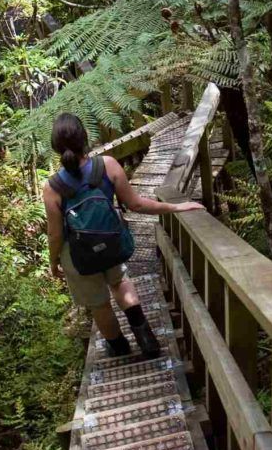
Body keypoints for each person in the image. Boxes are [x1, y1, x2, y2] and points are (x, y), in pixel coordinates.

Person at [44, 112, 204, 358]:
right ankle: (147, 340)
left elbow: (55, 234)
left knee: (99, 304)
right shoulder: (106, 165)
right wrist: (176, 207)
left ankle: (119, 348)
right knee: (120, 283)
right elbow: (136, 204)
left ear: (56, 147)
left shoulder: (52, 187)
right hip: (110, 241)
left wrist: (53, 261)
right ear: (84, 138)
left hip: (77, 255)